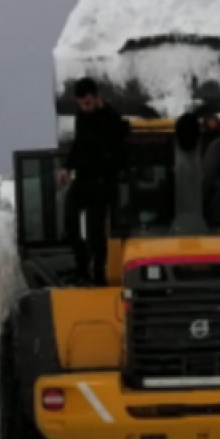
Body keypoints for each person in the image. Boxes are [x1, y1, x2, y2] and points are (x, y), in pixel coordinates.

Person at [59, 77, 128, 284]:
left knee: (95, 229)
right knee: (69, 219)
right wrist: (67, 167)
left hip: (102, 181)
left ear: (96, 99)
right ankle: (82, 264)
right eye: (81, 104)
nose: (84, 107)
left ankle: (98, 273)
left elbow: (121, 141)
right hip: (83, 178)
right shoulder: (82, 117)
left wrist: (109, 168)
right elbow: (79, 144)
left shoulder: (110, 117)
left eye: (88, 103)